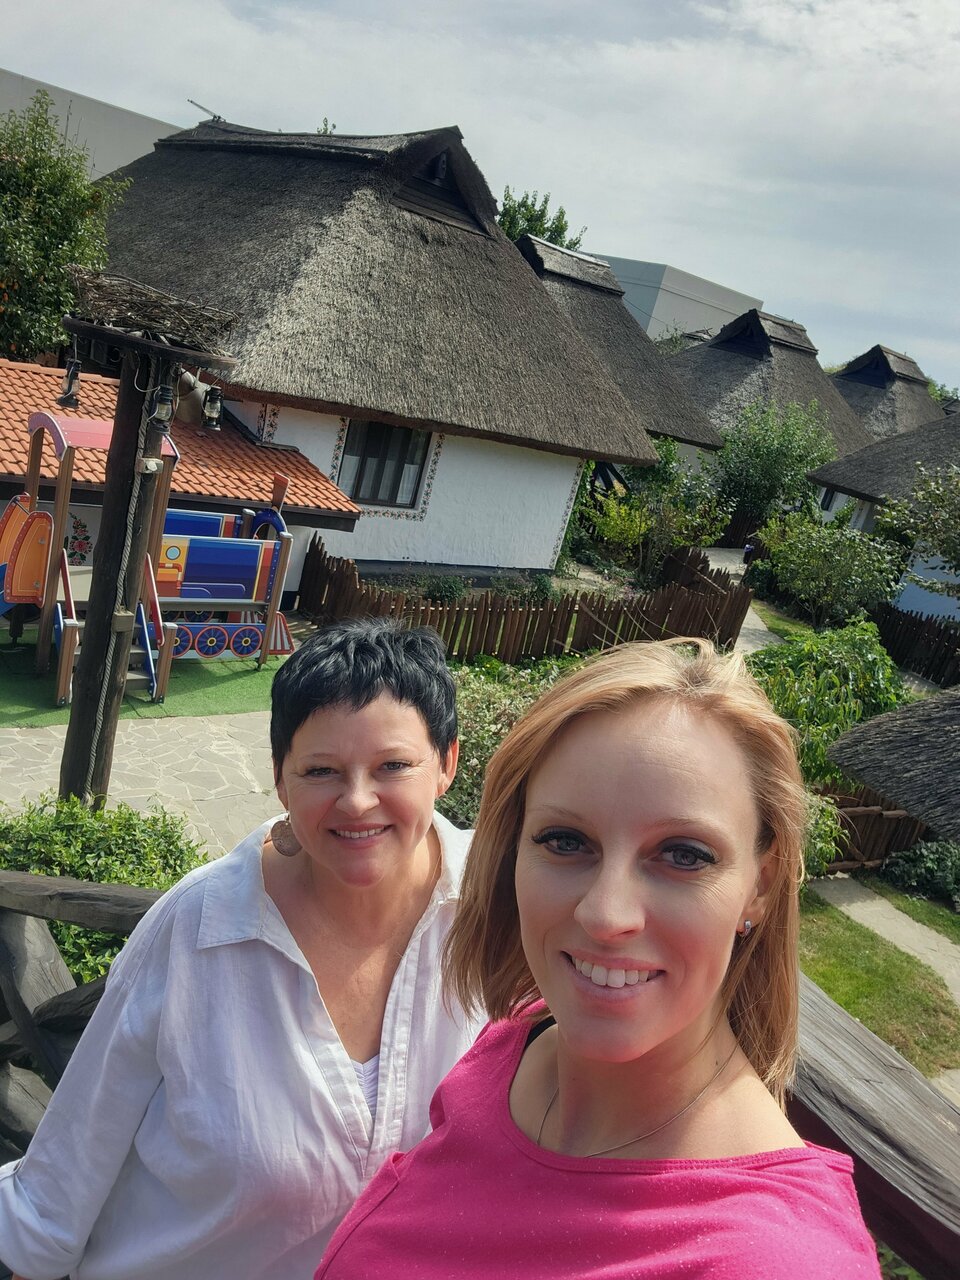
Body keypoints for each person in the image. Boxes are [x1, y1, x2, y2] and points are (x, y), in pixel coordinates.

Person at [317, 638, 881, 1279]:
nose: (606, 915)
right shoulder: (517, 1044)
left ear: (761, 884)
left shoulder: (778, 1262)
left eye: (684, 855)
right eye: (566, 840)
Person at [0, 617, 482, 1280]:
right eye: (321, 770)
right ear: (281, 780)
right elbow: (70, 1164)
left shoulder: (498, 912)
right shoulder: (200, 926)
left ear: (446, 764)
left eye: (393, 766)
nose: (357, 800)